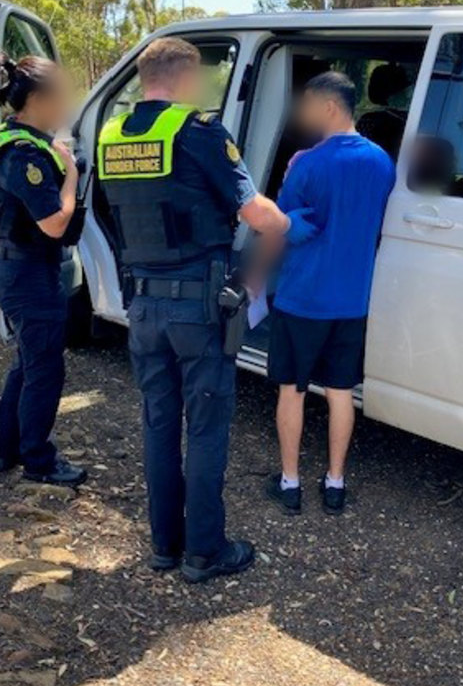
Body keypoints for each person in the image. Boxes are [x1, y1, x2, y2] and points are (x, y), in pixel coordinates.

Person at [97, 37, 315, 583]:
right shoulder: (197, 132)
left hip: (142, 306)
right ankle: (205, 552)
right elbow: (258, 215)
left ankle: (164, 547)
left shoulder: (109, 137)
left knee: (159, 426)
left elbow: (111, 215)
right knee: (208, 430)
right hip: (198, 309)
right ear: (187, 77)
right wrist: (283, 223)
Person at [260, 71, 395, 516]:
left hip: (302, 297)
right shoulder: (383, 162)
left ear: (329, 107)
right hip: (352, 300)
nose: (305, 114)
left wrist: (256, 275)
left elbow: (282, 228)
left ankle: (290, 483)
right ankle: (335, 483)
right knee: (340, 392)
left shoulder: (307, 163)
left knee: (292, 390)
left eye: (309, 105)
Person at [0, 52, 87, 487]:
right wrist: (72, 177)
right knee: (44, 369)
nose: (67, 104)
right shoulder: (24, 154)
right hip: (29, 274)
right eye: (61, 96)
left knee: (27, 362)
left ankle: (5, 451)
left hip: (15, 267)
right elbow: (55, 222)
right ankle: (38, 460)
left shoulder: (8, 137)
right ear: (39, 99)